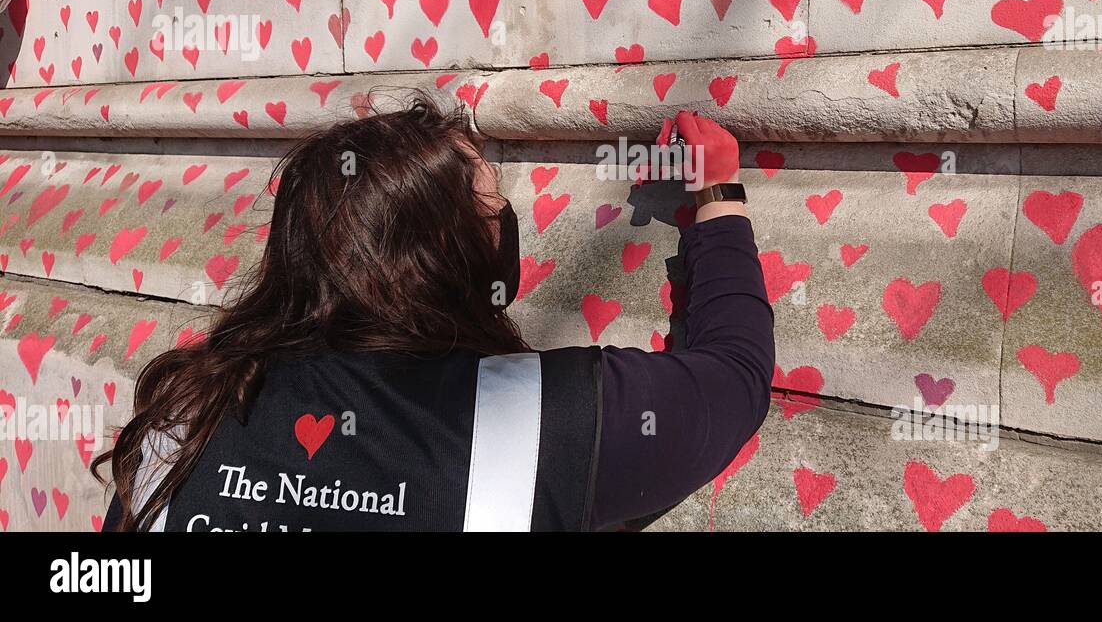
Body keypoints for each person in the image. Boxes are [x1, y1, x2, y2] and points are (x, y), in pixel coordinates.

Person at [95, 92, 775, 531]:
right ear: (445, 259)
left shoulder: (184, 418)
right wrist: (719, 191)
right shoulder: (537, 420)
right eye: (490, 215)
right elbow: (734, 380)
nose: (505, 226)